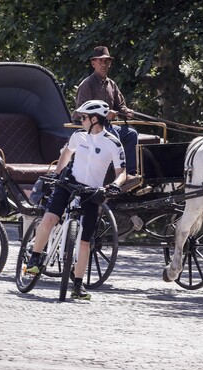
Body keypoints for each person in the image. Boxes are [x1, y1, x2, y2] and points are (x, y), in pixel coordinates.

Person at [25, 100, 126, 300]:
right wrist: (57, 174)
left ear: (94, 119)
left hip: (91, 192)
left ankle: (78, 286)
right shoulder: (78, 137)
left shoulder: (113, 143)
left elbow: (122, 172)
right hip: (68, 184)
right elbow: (65, 155)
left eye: (84, 117)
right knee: (49, 219)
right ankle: (35, 259)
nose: (81, 120)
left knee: (85, 242)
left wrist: (115, 184)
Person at [75, 46, 140, 187]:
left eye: (107, 61)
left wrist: (126, 111)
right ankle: (119, 176)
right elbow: (82, 111)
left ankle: (131, 175)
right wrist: (105, 114)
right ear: (93, 63)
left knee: (131, 134)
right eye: (100, 61)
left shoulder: (112, 84)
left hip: (109, 126)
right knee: (114, 134)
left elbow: (120, 105)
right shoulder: (87, 84)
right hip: (93, 129)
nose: (104, 65)